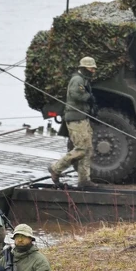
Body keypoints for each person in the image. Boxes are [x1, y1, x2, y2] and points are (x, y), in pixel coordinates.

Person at [49, 57, 97, 189]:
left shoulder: (84, 80)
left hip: (82, 117)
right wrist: (89, 98)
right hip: (75, 119)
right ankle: (56, 168)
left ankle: (84, 180)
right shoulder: (77, 79)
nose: (93, 70)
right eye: (91, 68)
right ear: (84, 68)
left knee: (88, 149)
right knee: (81, 149)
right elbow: (75, 94)